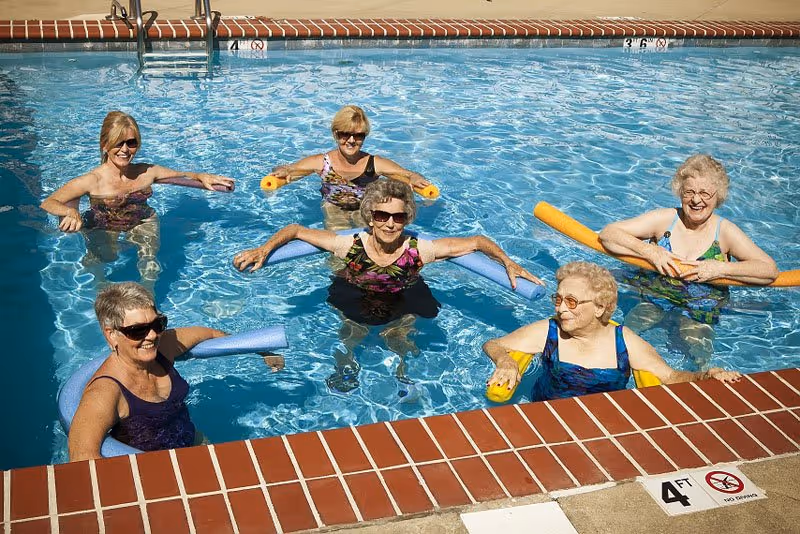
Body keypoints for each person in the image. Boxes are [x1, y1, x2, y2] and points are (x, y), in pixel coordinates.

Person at [234, 178, 544, 392]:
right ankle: (346, 364)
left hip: (403, 293)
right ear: (370, 216)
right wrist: (263, 249)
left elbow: (476, 241)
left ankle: (401, 373)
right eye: (382, 215)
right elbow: (297, 229)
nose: (390, 223)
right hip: (356, 292)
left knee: (401, 334)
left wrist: (507, 261)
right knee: (351, 332)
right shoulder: (348, 245)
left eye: (398, 216)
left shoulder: (421, 248)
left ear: (407, 217)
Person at [68, 282, 284, 462]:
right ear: (111, 335)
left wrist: (262, 352)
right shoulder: (105, 392)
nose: (152, 335)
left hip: (193, 442)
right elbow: (81, 458)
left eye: (157, 324)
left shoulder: (164, 347)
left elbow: (208, 333)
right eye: (138, 330)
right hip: (153, 471)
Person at [597, 154, 778, 368]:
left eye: (704, 193)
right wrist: (649, 251)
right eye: (689, 192)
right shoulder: (665, 220)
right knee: (621, 343)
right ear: (680, 192)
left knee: (699, 359)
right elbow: (609, 233)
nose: (696, 200)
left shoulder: (725, 232)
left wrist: (720, 268)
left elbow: (769, 269)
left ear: (717, 196)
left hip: (700, 307)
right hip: (655, 297)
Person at [483, 262, 741, 402]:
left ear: (599, 308)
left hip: (603, 425)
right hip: (546, 418)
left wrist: (705, 376)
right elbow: (493, 344)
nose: (561, 309)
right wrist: (505, 360)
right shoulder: (549, 332)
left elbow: (670, 376)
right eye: (558, 299)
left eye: (571, 302)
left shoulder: (624, 342)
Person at [40, 111, 234, 289]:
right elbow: (49, 202)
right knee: (102, 258)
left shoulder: (146, 172)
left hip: (141, 220)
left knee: (150, 262)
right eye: (118, 143)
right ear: (104, 145)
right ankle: (100, 285)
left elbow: (182, 175)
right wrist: (70, 211)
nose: (125, 150)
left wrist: (201, 176)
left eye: (131, 143)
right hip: (103, 223)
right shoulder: (92, 180)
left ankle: (148, 295)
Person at [269, 105, 432, 230]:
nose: (352, 140)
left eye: (359, 135)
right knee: (338, 246)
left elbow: (407, 174)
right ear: (336, 134)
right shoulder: (322, 162)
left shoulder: (374, 164)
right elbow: (290, 170)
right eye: (345, 134)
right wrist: (281, 172)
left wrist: (416, 178)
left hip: (365, 208)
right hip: (334, 207)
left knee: (369, 241)